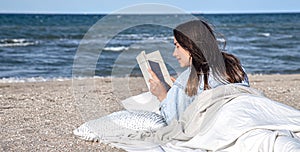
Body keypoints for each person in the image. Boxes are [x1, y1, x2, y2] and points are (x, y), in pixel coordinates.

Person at [148, 19, 249, 124]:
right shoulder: (235, 68)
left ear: (190, 46)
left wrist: (162, 96)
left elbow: (172, 121)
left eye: (177, 46)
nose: (175, 53)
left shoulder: (187, 80)